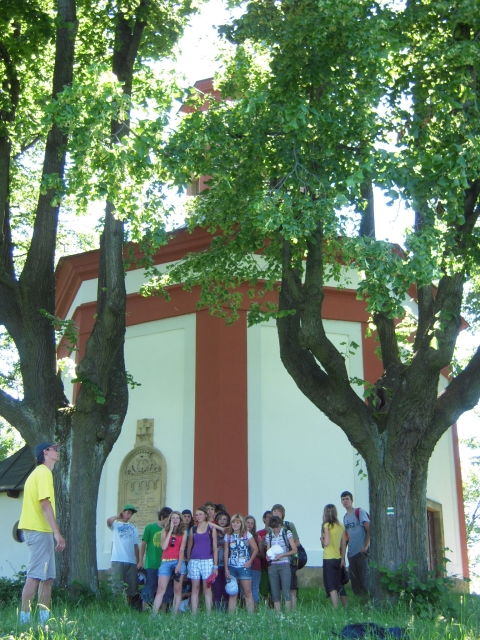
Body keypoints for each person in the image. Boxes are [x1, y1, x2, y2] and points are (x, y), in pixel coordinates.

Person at [18, 442, 66, 627]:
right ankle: (24, 622)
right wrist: (57, 533)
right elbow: (45, 504)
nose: (58, 452)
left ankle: (44, 622)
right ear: (45, 452)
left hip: (40, 531)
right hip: (38, 530)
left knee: (47, 578)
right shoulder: (44, 473)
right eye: (55, 449)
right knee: (36, 575)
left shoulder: (38, 473)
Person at [152, 511, 188, 615]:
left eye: (177, 518)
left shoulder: (183, 532)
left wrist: (179, 564)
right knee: (161, 589)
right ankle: (154, 614)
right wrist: (171, 530)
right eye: (173, 518)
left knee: (177, 589)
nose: (175, 520)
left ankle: (174, 614)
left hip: (178, 561)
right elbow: (163, 547)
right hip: (166, 561)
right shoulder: (164, 531)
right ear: (170, 520)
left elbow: (182, 549)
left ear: (180, 520)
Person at [138, 507, 172, 610]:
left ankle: (164, 610)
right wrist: (141, 560)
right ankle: (144, 609)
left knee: (166, 588)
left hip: (166, 564)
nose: (169, 521)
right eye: (168, 519)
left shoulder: (170, 530)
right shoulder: (150, 528)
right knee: (149, 586)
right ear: (162, 517)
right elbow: (143, 544)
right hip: (151, 564)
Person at [224, 513, 258, 614]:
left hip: (244, 567)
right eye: (233, 522)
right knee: (232, 592)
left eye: (238, 522)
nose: (235, 524)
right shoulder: (228, 535)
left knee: (247, 592)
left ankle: (251, 616)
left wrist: (249, 562)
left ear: (241, 524)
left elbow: (255, 549)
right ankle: (231, 616)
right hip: (232, 567)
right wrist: (226, 569)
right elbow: (226, 552)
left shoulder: (247, 534)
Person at [187, 506, 218, 614]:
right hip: (194, 561)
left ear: (205, 515)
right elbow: (189, 547)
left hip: (207, 561)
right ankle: (194, 614)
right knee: (195, 588)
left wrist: (215, 565)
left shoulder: (211, 528)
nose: (198, 516)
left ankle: (209, 614)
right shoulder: (193, 529)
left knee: (207, 588)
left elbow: (215, 549)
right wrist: (189, 561)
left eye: (200, 514)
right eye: (196, 515)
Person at [107, 504, 140, 604]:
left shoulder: (133, 527)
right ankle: (118, 606)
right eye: (128, 513)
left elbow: (136, 545)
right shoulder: (116, 525)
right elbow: (109, 521)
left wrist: (138, 561)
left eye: (131, 514)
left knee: (131, 587)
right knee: (117, 585)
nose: (129, 515)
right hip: (118, 559)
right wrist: (117, 516)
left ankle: (128, 606)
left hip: (131, 561)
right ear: (123, 512)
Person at [341, 491, 370, 596]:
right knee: (354, 580)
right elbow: (346, 538)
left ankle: (368, 599)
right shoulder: (345, 518)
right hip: (351, 553)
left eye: (347, 499)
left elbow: (369, 529)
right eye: (343, 499)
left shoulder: (359, 512)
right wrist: (343, 557)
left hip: (361, 552)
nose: (345, 501)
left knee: (364, 579)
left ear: (352, 500)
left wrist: (365, 546)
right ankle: (358, 600)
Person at [266, 515, 297, 613]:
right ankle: (277, 613)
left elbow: (294, 550)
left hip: (284, 564)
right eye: (273, 527)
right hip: (273, 565)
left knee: (286, 590)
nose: (275, 530)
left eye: (276, 527)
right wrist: (268, 557)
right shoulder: (269, 535)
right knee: (275, 591)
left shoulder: (286, 533)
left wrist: (283, 555)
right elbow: (268, 551)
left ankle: (287, 613)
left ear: (280, 524)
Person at [271, 503, 300, 608]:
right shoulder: (270, 529)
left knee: (290, 586)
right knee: (276, 587)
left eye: (278, 511)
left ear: (282, 514)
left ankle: (293, 610)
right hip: (275, 562)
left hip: (288, 560)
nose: (276, 513)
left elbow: (297, 543)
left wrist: (284, 550)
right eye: (274, 511)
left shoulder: (288, 526)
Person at [321, 504, 348, 609]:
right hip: (338, 557)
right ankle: (345, 606)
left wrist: (322, 539)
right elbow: (343, 544)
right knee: (339, 583)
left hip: (328, 558)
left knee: (331, 584)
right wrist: (342, 559)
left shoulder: (326, 525)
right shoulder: (341, 525)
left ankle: (335, 607)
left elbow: (326, 543)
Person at [212, 510, 230, 610]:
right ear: (217, 521)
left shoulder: (230, 532)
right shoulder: (213, 532)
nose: (222, 521)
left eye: (224, 519)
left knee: (227, 589)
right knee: (217, 589)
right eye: (220, 519)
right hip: (216, 565)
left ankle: (226, 610)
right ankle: (217, 611)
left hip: (227, 565)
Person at [245, 515, 263, 605]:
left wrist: (253, 551)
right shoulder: (240, 536)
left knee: (254, 590)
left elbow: (262, 554)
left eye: (252, 523)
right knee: (243, 590)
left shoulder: (257, 537)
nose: (250, 525)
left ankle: (255, 610)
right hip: (243, 565)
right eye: (248, 522)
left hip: (255, 566)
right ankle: (244, 609)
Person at [257, 510, 272, 599]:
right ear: (264, 519)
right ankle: (264, 603)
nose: (270, 519)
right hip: (263, 564)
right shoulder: (259, 533)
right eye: (268, 517)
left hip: (274, 563)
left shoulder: (276, 532)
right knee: (264, 588)